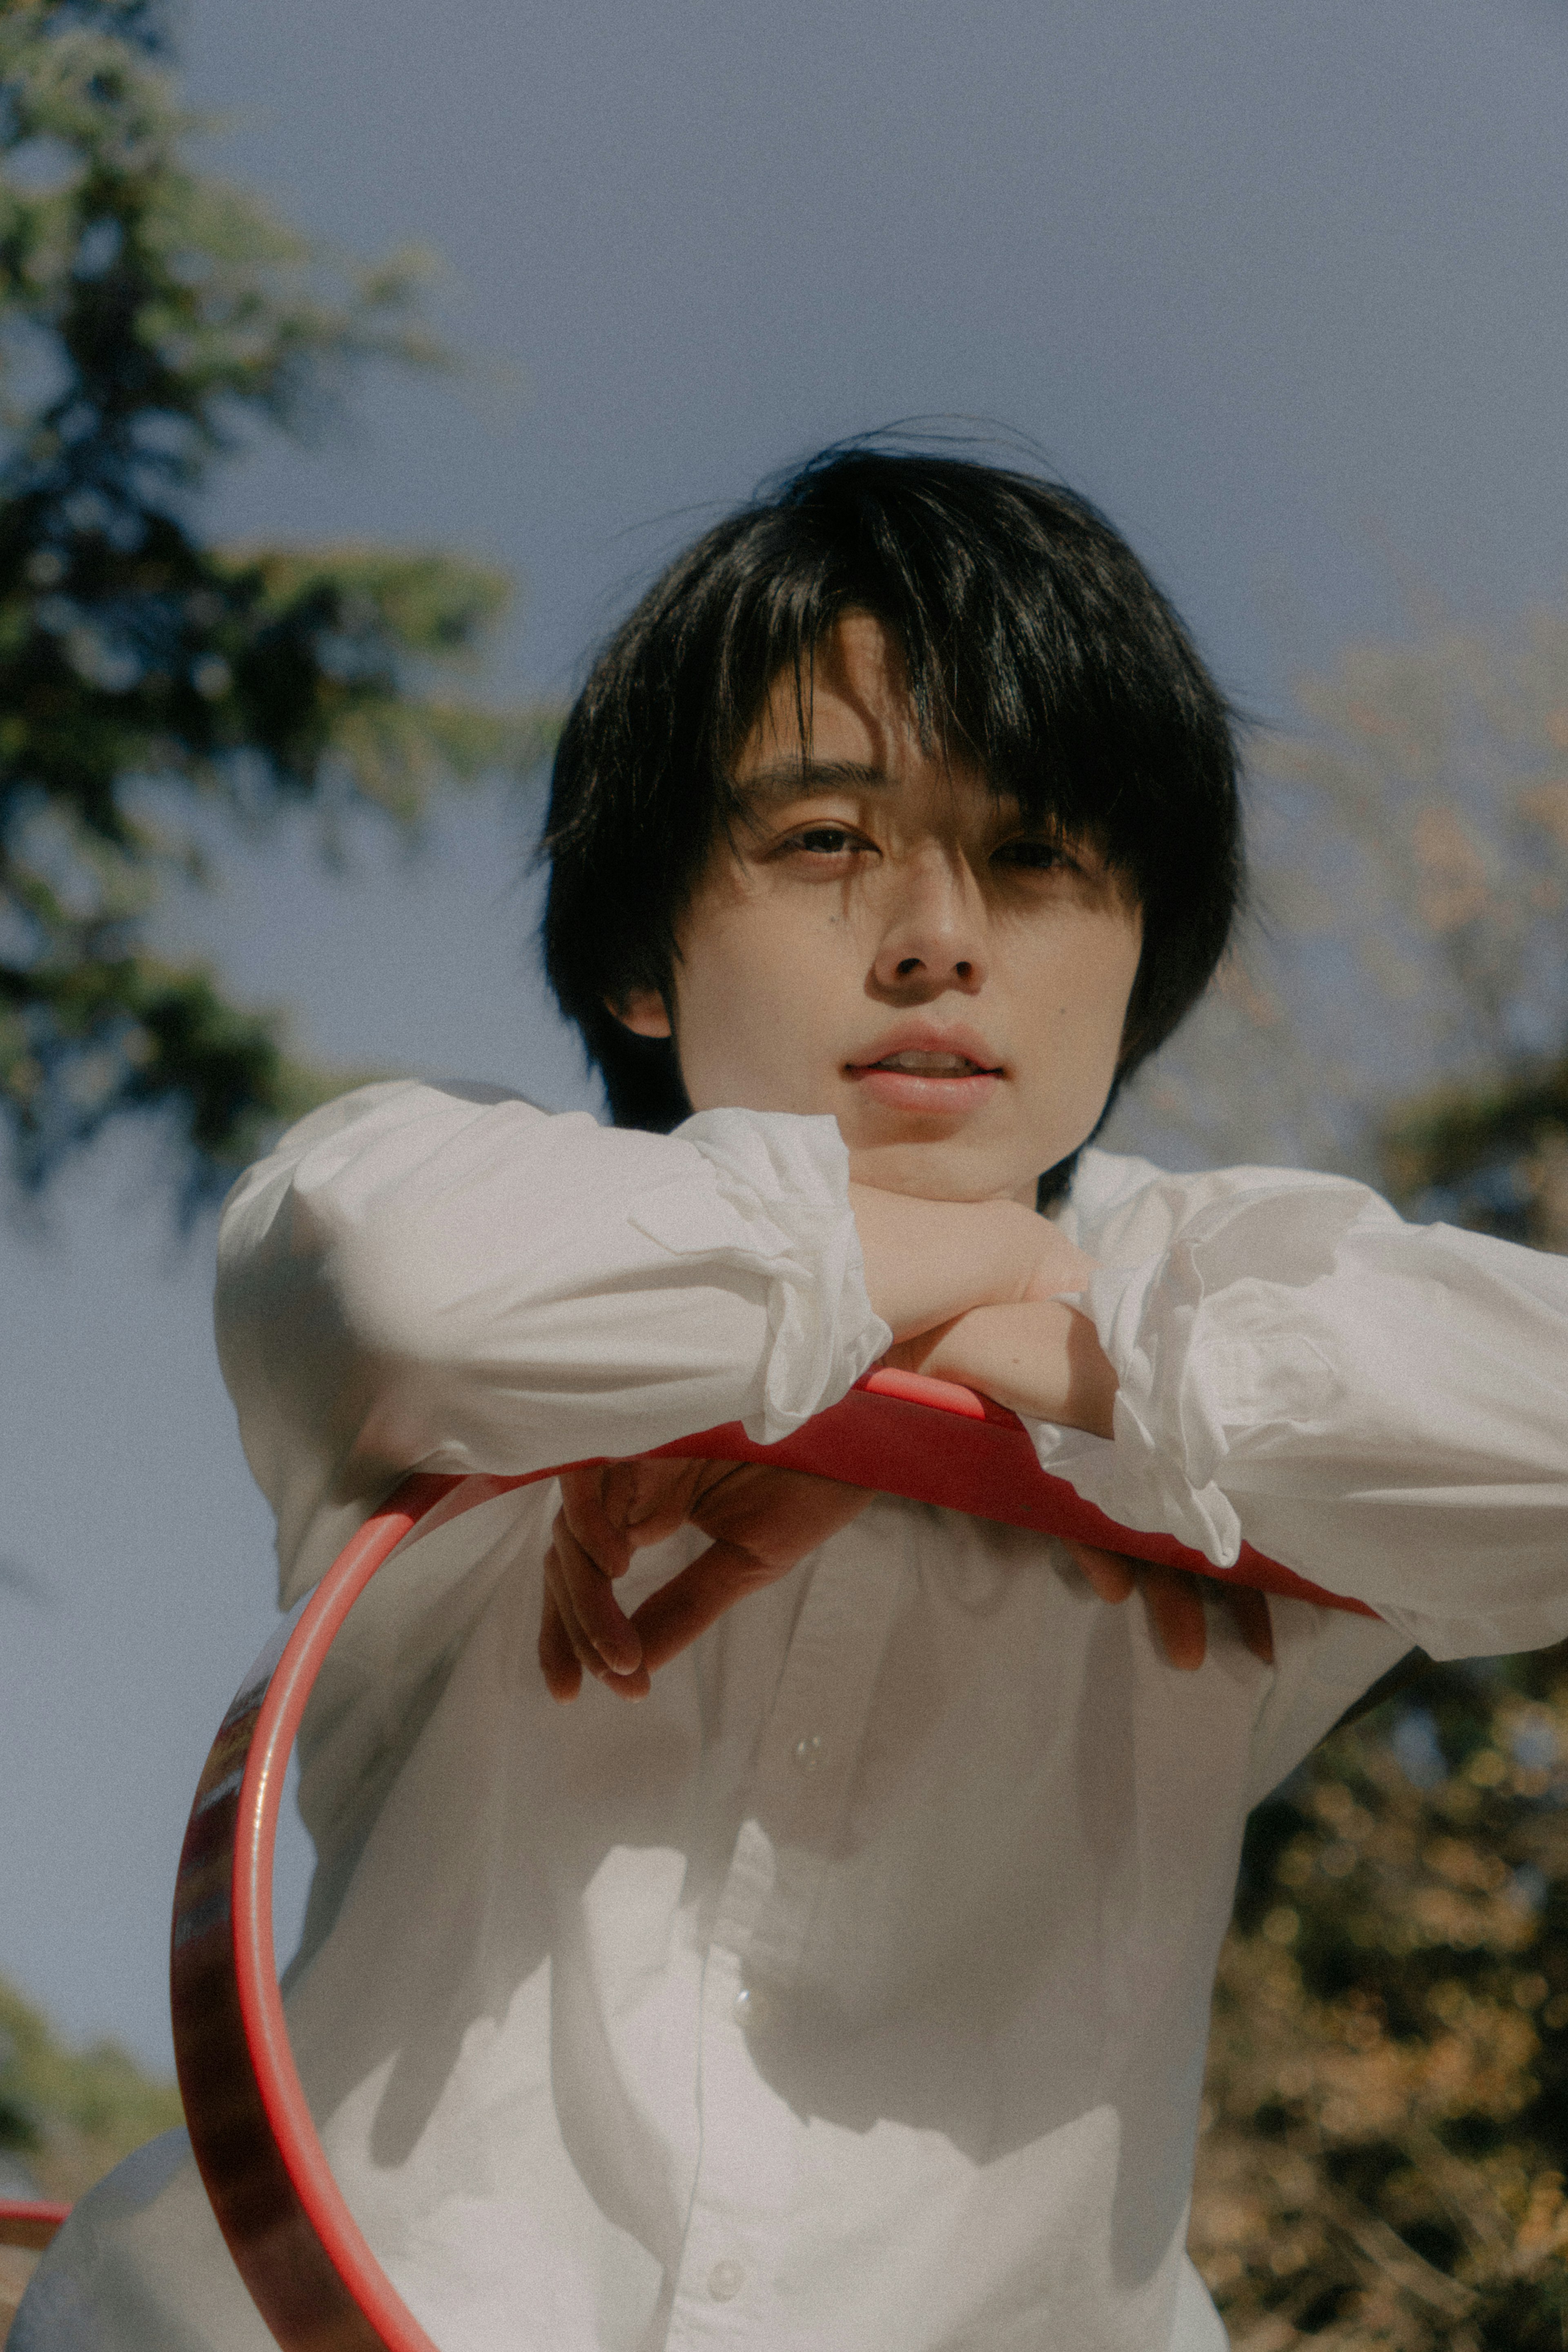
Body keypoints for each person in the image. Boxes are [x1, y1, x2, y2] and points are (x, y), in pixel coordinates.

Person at [18, 448, 1568, 2352]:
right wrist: (942, 1313)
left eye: (1037, 854)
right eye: (826, 839)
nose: (938, 931)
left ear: (1140, 943)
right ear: (635, 950)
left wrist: (1009, 1359)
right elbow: (401, 1289)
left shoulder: (1209, 1293)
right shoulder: (463, 1192)